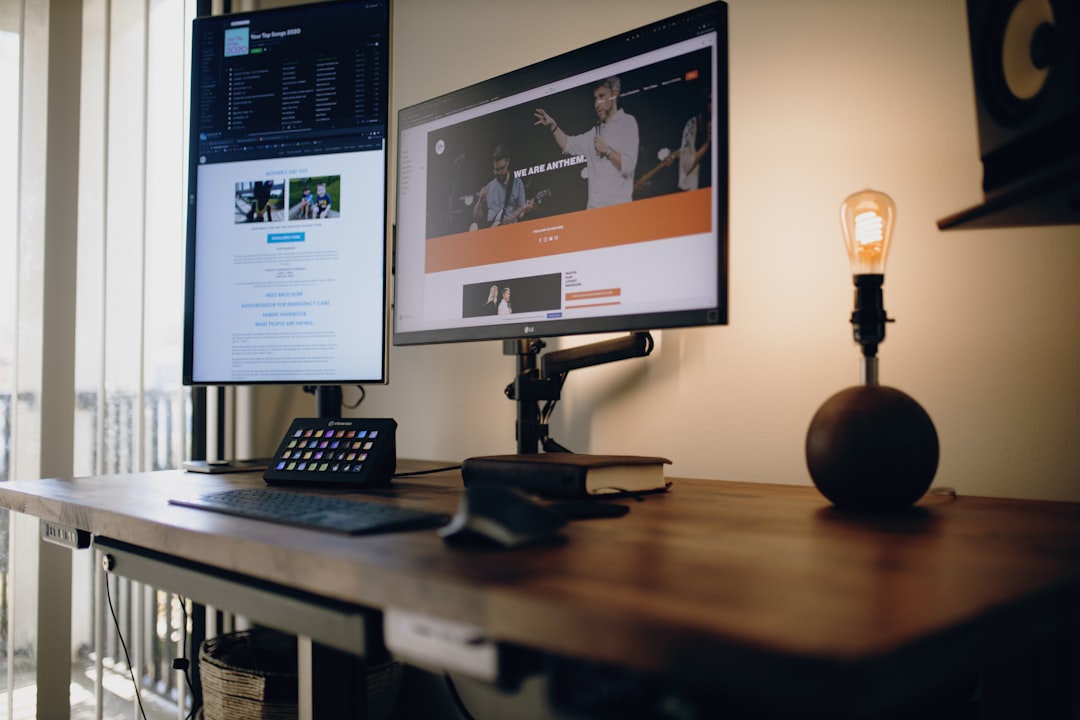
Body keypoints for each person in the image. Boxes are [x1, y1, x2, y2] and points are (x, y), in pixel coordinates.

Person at [534, 76, 638, 208]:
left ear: (614, 94)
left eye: (601, 97)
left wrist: (607, 150)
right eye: (595, 99)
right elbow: (568, 144)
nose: (597, 104)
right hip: (593, 217)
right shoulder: (594, 133)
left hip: (618, 214)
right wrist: (553, 126)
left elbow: (628, 167)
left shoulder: (627, 123)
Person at [473, 145, 533, 228]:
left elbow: (521, 214)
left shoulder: (517, 183)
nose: (499, 173)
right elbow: (476, 218)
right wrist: (480, 200)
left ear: (508, 162)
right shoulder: (489, 186)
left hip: (510, 232)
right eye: (496, 170)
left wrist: (525, 210)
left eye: (501, 168)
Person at [678, 92, 712, 191]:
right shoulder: (693, 124)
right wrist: (708, 142)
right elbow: (686, 165)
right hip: (696, 189)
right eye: (710, 101)